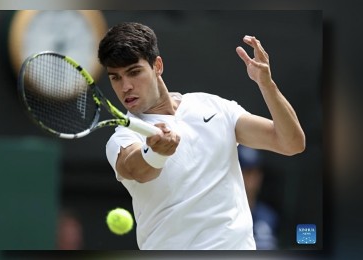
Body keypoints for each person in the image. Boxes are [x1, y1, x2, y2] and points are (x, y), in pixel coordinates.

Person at [98, 22, 305, 250]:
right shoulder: (123, 137)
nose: (125, 86)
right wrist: (156, 154)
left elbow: (291, 143)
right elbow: (135, 168)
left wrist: (267, 84)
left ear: (157, 66)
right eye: (115, 78)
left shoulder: (212, 106)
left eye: (134, 72)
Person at [238, 145, 279, 250]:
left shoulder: (268, 216)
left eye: (256, 172)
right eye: (247, 172)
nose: (253, 179)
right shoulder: (223, 216)